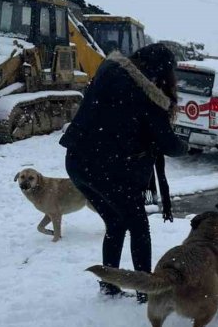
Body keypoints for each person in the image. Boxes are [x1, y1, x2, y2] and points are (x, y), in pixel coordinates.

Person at [60, 43, 187, 299]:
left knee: (116, 223)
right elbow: (169, 145)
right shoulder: (147, 96)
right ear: (161, 72)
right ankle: (145, 292)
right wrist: (184, 144)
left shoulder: (108, 71)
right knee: (139, 227)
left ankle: (109, 284)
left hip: (77, 162)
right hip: (110, 171)